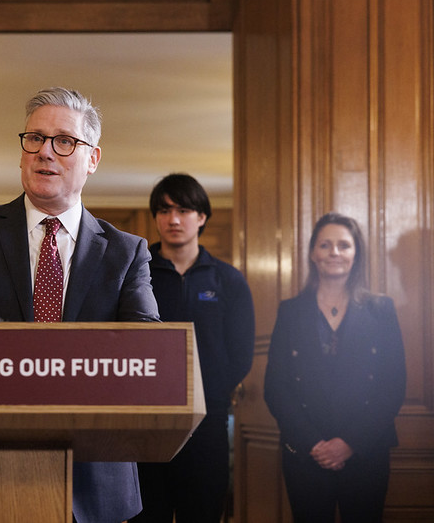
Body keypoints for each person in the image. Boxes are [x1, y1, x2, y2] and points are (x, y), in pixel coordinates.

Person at [0, 87, 161, 522]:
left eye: (64, 141)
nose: (46, 152)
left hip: (93, 482)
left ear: (92, 159)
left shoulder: (126, 251)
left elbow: (148, 348)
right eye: (35, 139)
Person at [264, 212, 406, 522]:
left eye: (344, 245)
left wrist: (349, 444)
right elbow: (276, 388)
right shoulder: (290, 312)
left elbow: (393, 386)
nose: (334, 253)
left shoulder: (381, 309)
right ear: (313, 253)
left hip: (366, 450)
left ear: (357, 254)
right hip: (305, 453)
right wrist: (314, 444)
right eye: (325, 245)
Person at [132, 173, 254, 522]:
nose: (173, 219)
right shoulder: (136, 273)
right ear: (155, 216)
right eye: (164, 210)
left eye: (184, 210)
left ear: (201, 217)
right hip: (146, 422)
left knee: (202, 512)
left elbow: (241, 352)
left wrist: (209, 394)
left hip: (207, 422)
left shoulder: (227, 279)